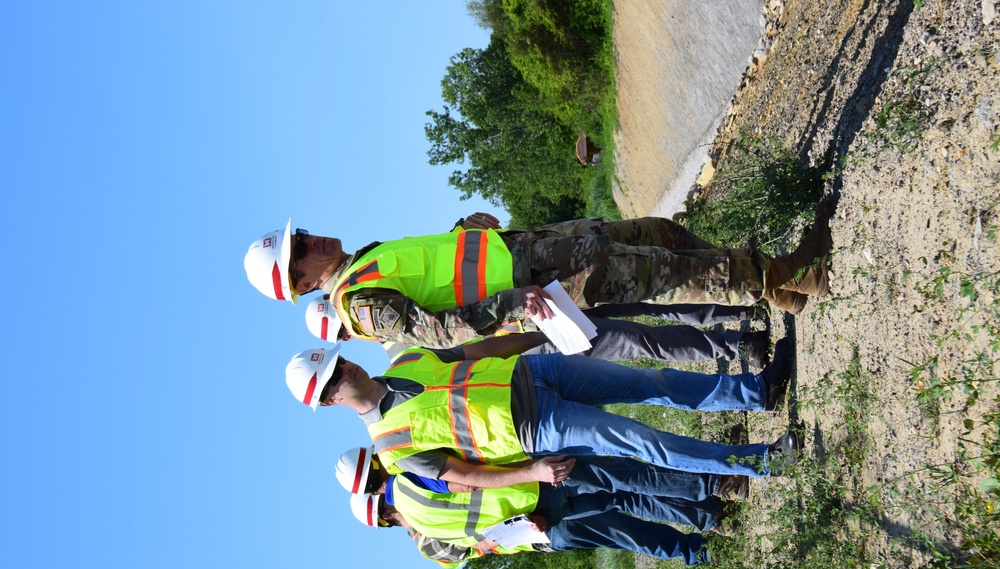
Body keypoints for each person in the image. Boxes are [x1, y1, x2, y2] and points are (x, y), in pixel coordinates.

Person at [245, 209, 833, 347]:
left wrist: (463, 228)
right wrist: (513, 306)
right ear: (300, 283)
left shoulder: (366, 258)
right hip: (544, 278)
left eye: (303, 235)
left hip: (533, 245)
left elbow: (444, 270)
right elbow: (443, 330)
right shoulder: (358, 305)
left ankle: (779, 290)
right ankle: (795, 275)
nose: (314, 239)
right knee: (672, 273)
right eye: (303, 249)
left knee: (662, 235)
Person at [284, 334, 800, 490]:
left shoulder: (406, 360)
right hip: (537, 427)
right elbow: (465, 476)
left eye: (337, 362)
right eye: (332, 379)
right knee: (648, 442)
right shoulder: (391, 450)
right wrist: (531, 471)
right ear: (328, 400)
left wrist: (539, 336)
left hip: (535, 372)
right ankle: (759, 462)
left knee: (650, 381)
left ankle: (758, 391)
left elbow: (476, 354)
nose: (343, 371)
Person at [347, 454, 733, 566]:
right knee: (620, 508)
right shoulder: (411, 492)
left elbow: (476, 546)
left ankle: (700, 531)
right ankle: (700, 530)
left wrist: (520, 528)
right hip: (534, 508)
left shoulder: (424, 537)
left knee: (619, 510)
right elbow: (467, 491)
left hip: (533, 521)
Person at [305, 292, 772, 366]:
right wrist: (541, 339)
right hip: (539, 339)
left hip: (534, 299)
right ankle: (736, 347)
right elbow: (474, 356)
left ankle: (735, 313)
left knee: (640, 303)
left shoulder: (394, 301)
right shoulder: (402, 355)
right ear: (346, 339)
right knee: (637, 339)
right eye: (345, 331)